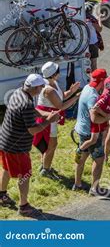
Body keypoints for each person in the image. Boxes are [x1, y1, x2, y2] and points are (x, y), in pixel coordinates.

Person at [0, 74, 59, 217]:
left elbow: (32, 110)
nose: (42, 89)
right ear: (35, 87)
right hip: (17, 148)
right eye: (41, 86)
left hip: (4, 141)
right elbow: (33, 130)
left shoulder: (19, 93)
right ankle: (24, 206)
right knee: (25, 175)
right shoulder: (26, 103)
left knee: (6, 169)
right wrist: (49, 121)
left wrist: (45, 114)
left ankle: (1, 195)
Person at [35, 62, 80, 180]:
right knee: (52, 144)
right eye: (58, 71)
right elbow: (61, 105)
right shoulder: (48, 89)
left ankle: (44, 165)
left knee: (47, 143)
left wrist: (71, 91)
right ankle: (46, 169)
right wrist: (76, 97)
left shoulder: (53, 83)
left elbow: (61, 96)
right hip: (48, 119)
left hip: (51, 117)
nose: (60, 72)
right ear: (53, 74)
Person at [73, 69, 108, 195]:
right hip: (91, 132)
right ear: (102, 80)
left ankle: (77, 184)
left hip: (81, 130)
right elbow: (94, 117)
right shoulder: (93, 96)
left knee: (82, 157)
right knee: (98, 160)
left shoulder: (87, 87)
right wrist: (106, 117)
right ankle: (94, 188)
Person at [80, 76, 110, 151]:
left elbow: (108, 102)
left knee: (105, 135)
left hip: (103, 120)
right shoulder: (105, 97)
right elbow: (95, 108)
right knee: (93, 140)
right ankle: (80, 150)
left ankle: (101, 150)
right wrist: (106, 116)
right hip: (97, 122)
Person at [85, 2, 103, 71]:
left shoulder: (82, 19)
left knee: (86, 63)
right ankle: (95, 78)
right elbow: (100, 29)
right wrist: (99, 19)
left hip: (84, 44)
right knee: (93, 63)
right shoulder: (91, 20)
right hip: (93, 43)